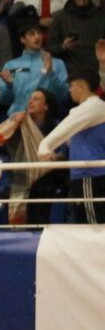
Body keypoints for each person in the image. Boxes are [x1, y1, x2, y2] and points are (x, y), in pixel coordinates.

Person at [38, 62, 105, 224]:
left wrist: (44, 147)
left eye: (71, 85)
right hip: (85, 176)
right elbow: (74, 140)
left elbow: (63, 130)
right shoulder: (90, 112)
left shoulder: (93, 107)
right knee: (87, 223)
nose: (70, 90)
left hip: (91, 176)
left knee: (93, 226)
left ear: (81, 86)